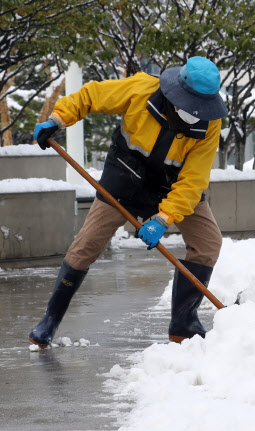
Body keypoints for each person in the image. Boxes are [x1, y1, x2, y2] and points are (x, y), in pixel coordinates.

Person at [30, 56, 227, 348]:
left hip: (172, 186)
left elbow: (194, 179)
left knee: (208, 243)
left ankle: (183, 324)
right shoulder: (141, 90)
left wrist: (163, 218)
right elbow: (92, 95)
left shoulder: (209, 124)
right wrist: (58, 119)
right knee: (87, 245)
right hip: (125, 179)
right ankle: (51, 319)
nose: (194, 113)